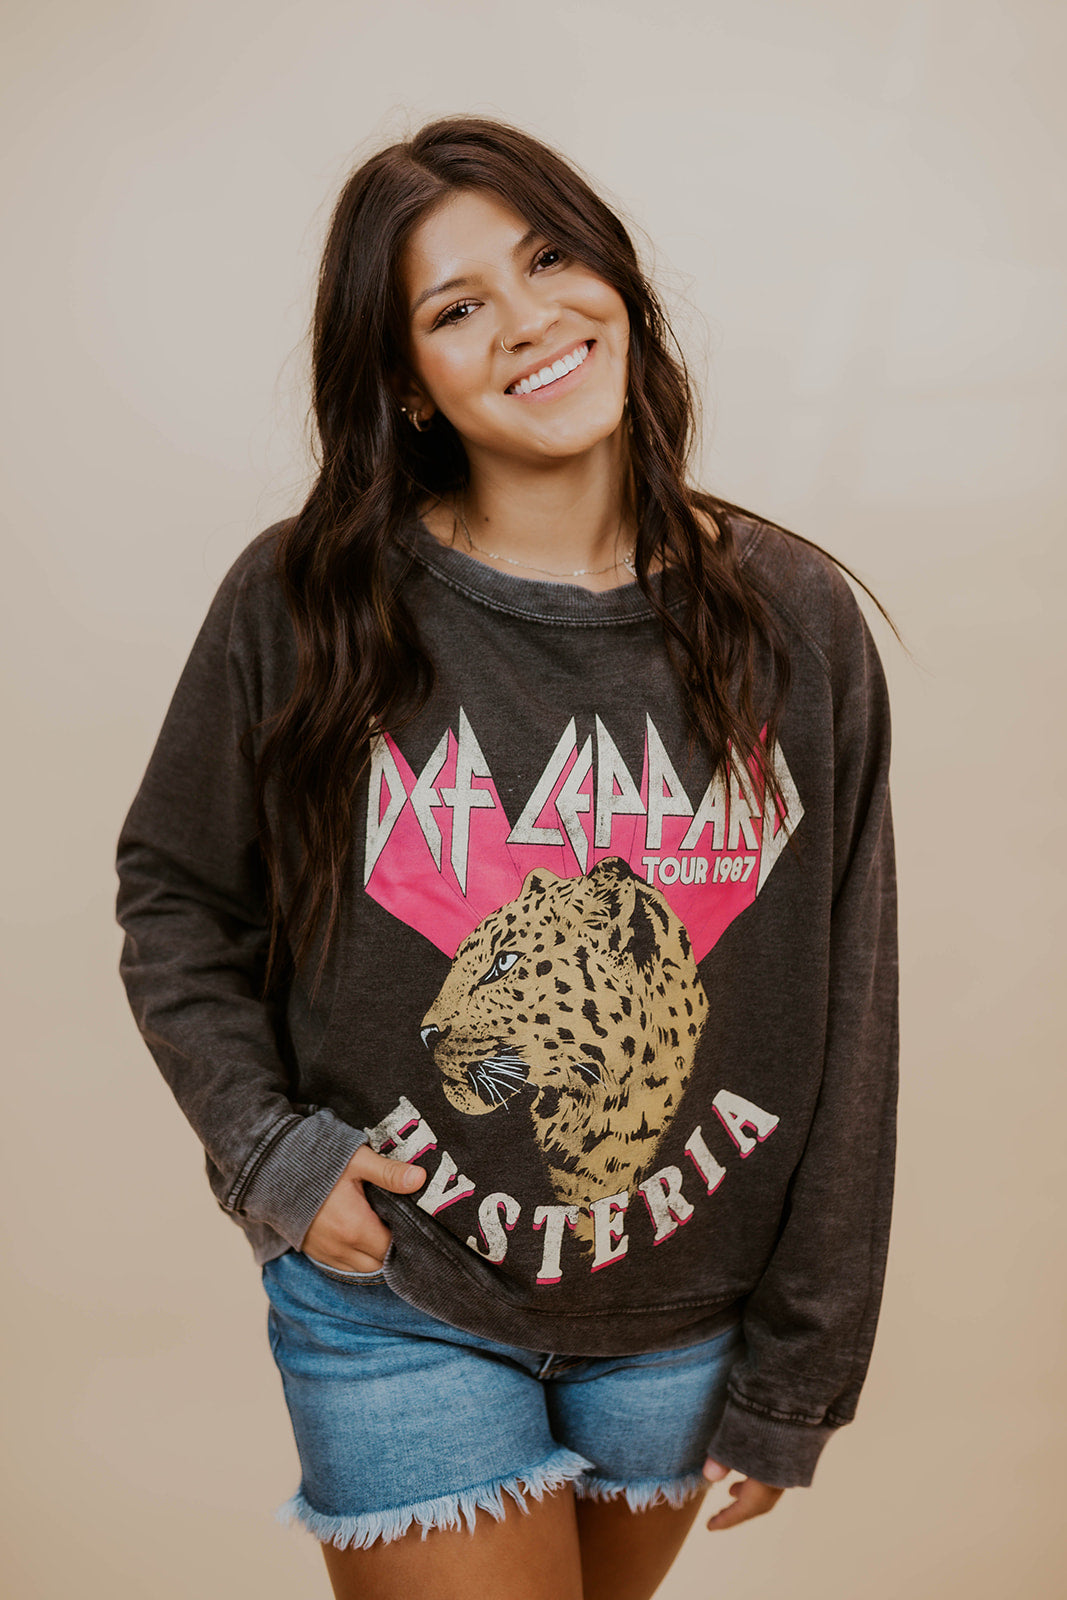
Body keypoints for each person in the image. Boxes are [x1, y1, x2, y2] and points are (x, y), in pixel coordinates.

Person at [114, 115, 899, 1600]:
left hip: (685, 1315)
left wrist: (805, 1364)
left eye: (548, 260)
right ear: (408, 382)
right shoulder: (306, 598)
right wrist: (272, 1155)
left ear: (614, 279)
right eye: (457, 306)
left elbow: (851, 1003)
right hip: (396, 1295)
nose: (530, 321)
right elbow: (176, 898)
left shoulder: (790, 618)